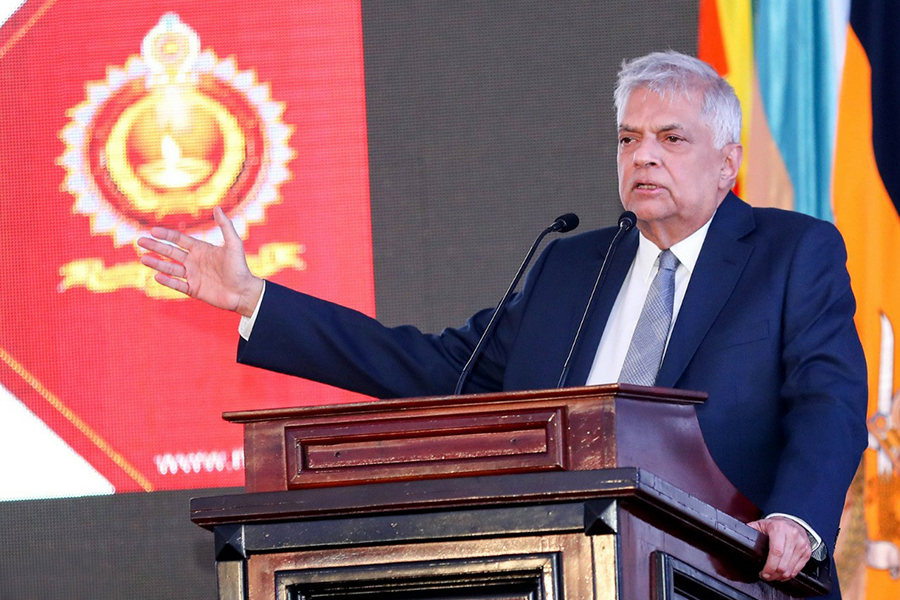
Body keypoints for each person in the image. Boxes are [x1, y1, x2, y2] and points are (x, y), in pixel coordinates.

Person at [138, 50, 867, 595]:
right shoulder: (570, 267)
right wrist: (255, 298)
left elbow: (826, 401)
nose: (642, 155)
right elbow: (433, 371)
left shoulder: (791, 253)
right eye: (627, 138)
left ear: (728, 162)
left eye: (671, 139)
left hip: (727, 577)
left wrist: (796, 519)